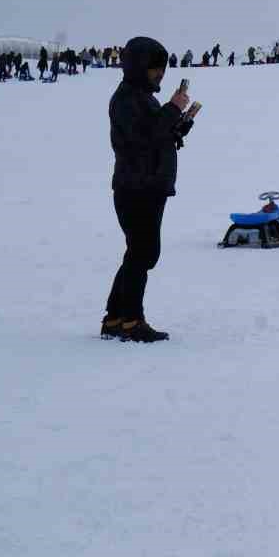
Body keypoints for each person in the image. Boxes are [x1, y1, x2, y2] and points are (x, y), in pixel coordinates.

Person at [102, 37, 194, 342]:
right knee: (143, 253)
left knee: (139, 253)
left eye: (162, 69)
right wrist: (171, 109)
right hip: (136, 187)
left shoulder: (141, 97)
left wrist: (179, 125)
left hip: (149, 184)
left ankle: (115, 317)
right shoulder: (126, 99)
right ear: (139, 67)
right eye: (155, 69)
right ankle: (131, 320)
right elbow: (143, 139)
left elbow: (157, 134)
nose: (160, 75)